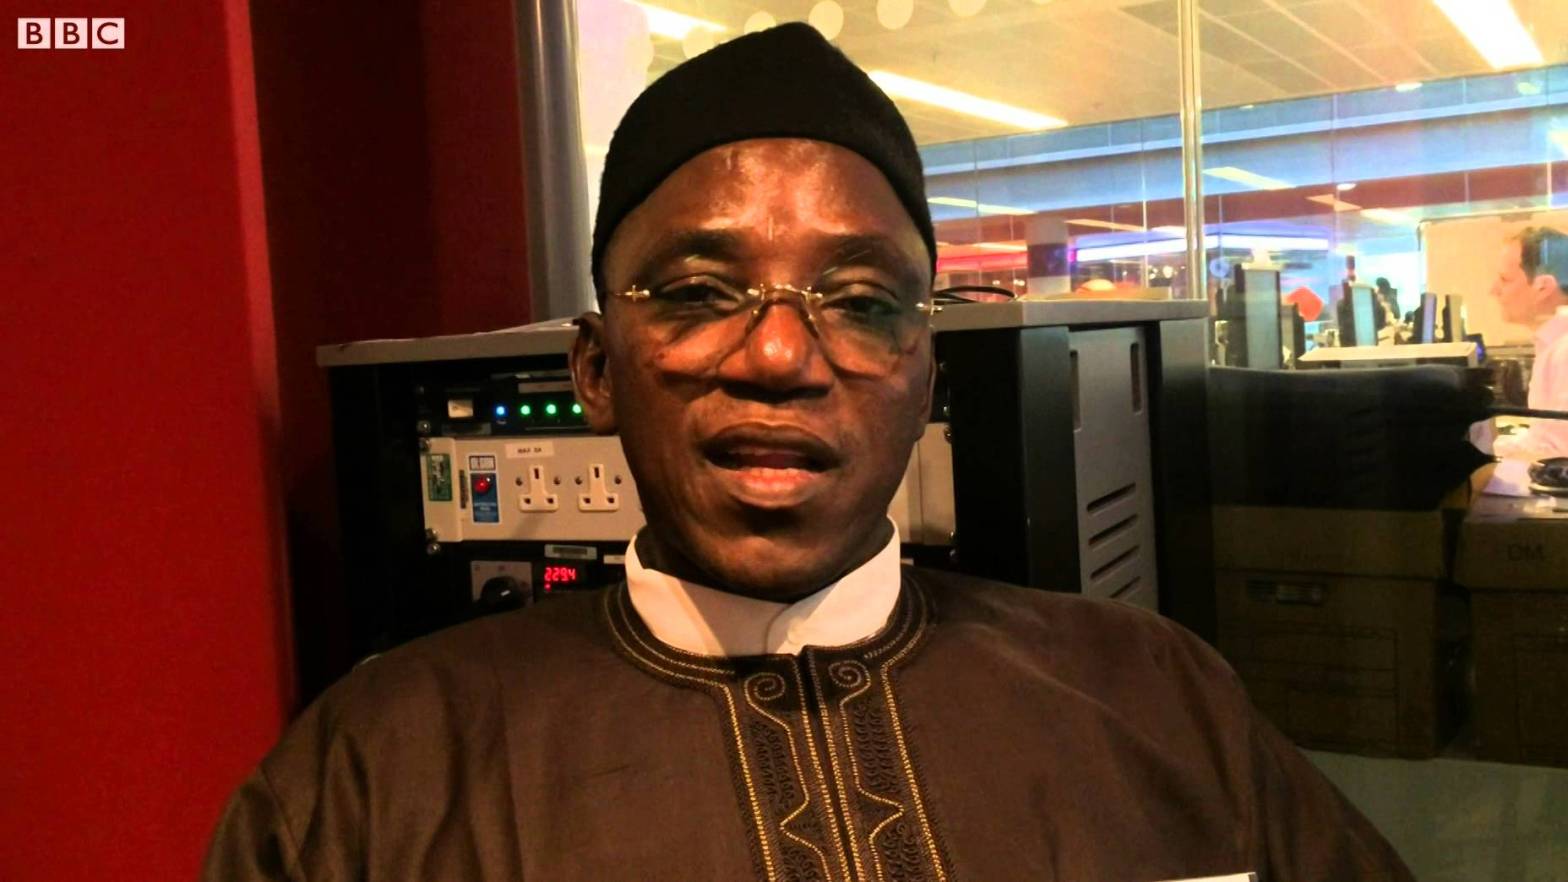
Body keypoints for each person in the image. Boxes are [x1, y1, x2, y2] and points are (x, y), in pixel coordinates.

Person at [203, 24, 1413, 882]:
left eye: (860, 300)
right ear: (596, 369)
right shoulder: (375, 775)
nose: (780, 356)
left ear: (923, 377)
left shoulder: (1154, 695)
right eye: (696, 291)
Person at [1490, 225, 1568, 461]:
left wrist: (1481, 450)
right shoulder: (1553, 344)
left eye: (1505, 280)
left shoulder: (1564, 351)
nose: (1493, 290)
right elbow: (1543, 438)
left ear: (1543, 287)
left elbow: (1558, 454)